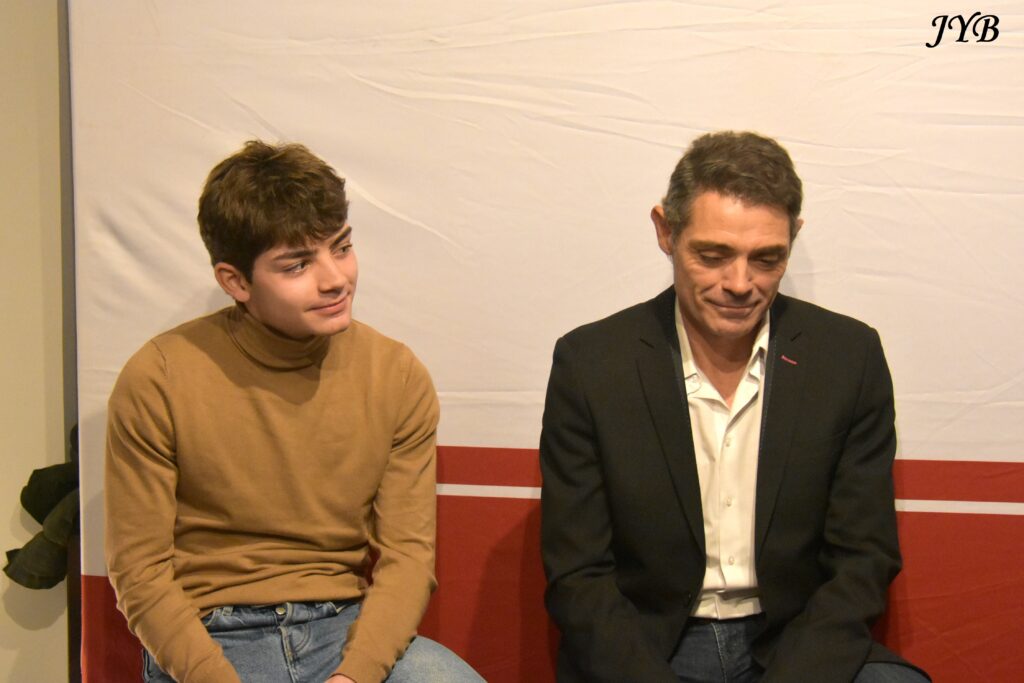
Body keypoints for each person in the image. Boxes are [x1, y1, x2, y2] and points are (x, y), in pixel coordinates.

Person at [539, 131, 929, 683]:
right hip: (649, 649)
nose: (740, 284)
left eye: (767, 259)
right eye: (713, 255)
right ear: (665, 231)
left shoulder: (849, 357)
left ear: (793, 238)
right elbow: (578, 576)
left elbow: (862, 561)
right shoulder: (592, 364)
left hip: (794, 642)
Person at [105, 141, 482, 683]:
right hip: (211, 637)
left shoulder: (396, 374)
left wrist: (355, 675)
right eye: (298, 264)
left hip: (343, 629)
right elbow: (139, 572)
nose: (335, 278)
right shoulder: (157, 376)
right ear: (235, 282)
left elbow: (408, 559)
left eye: (341, 247)